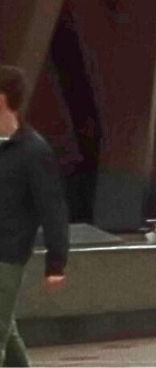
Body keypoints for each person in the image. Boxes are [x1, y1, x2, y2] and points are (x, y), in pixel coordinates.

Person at [0, 65, 66, 368]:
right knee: (7, 330)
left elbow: (52, 209)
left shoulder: (33, 151)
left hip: (7, 255)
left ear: (3, 99)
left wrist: (56, 262)